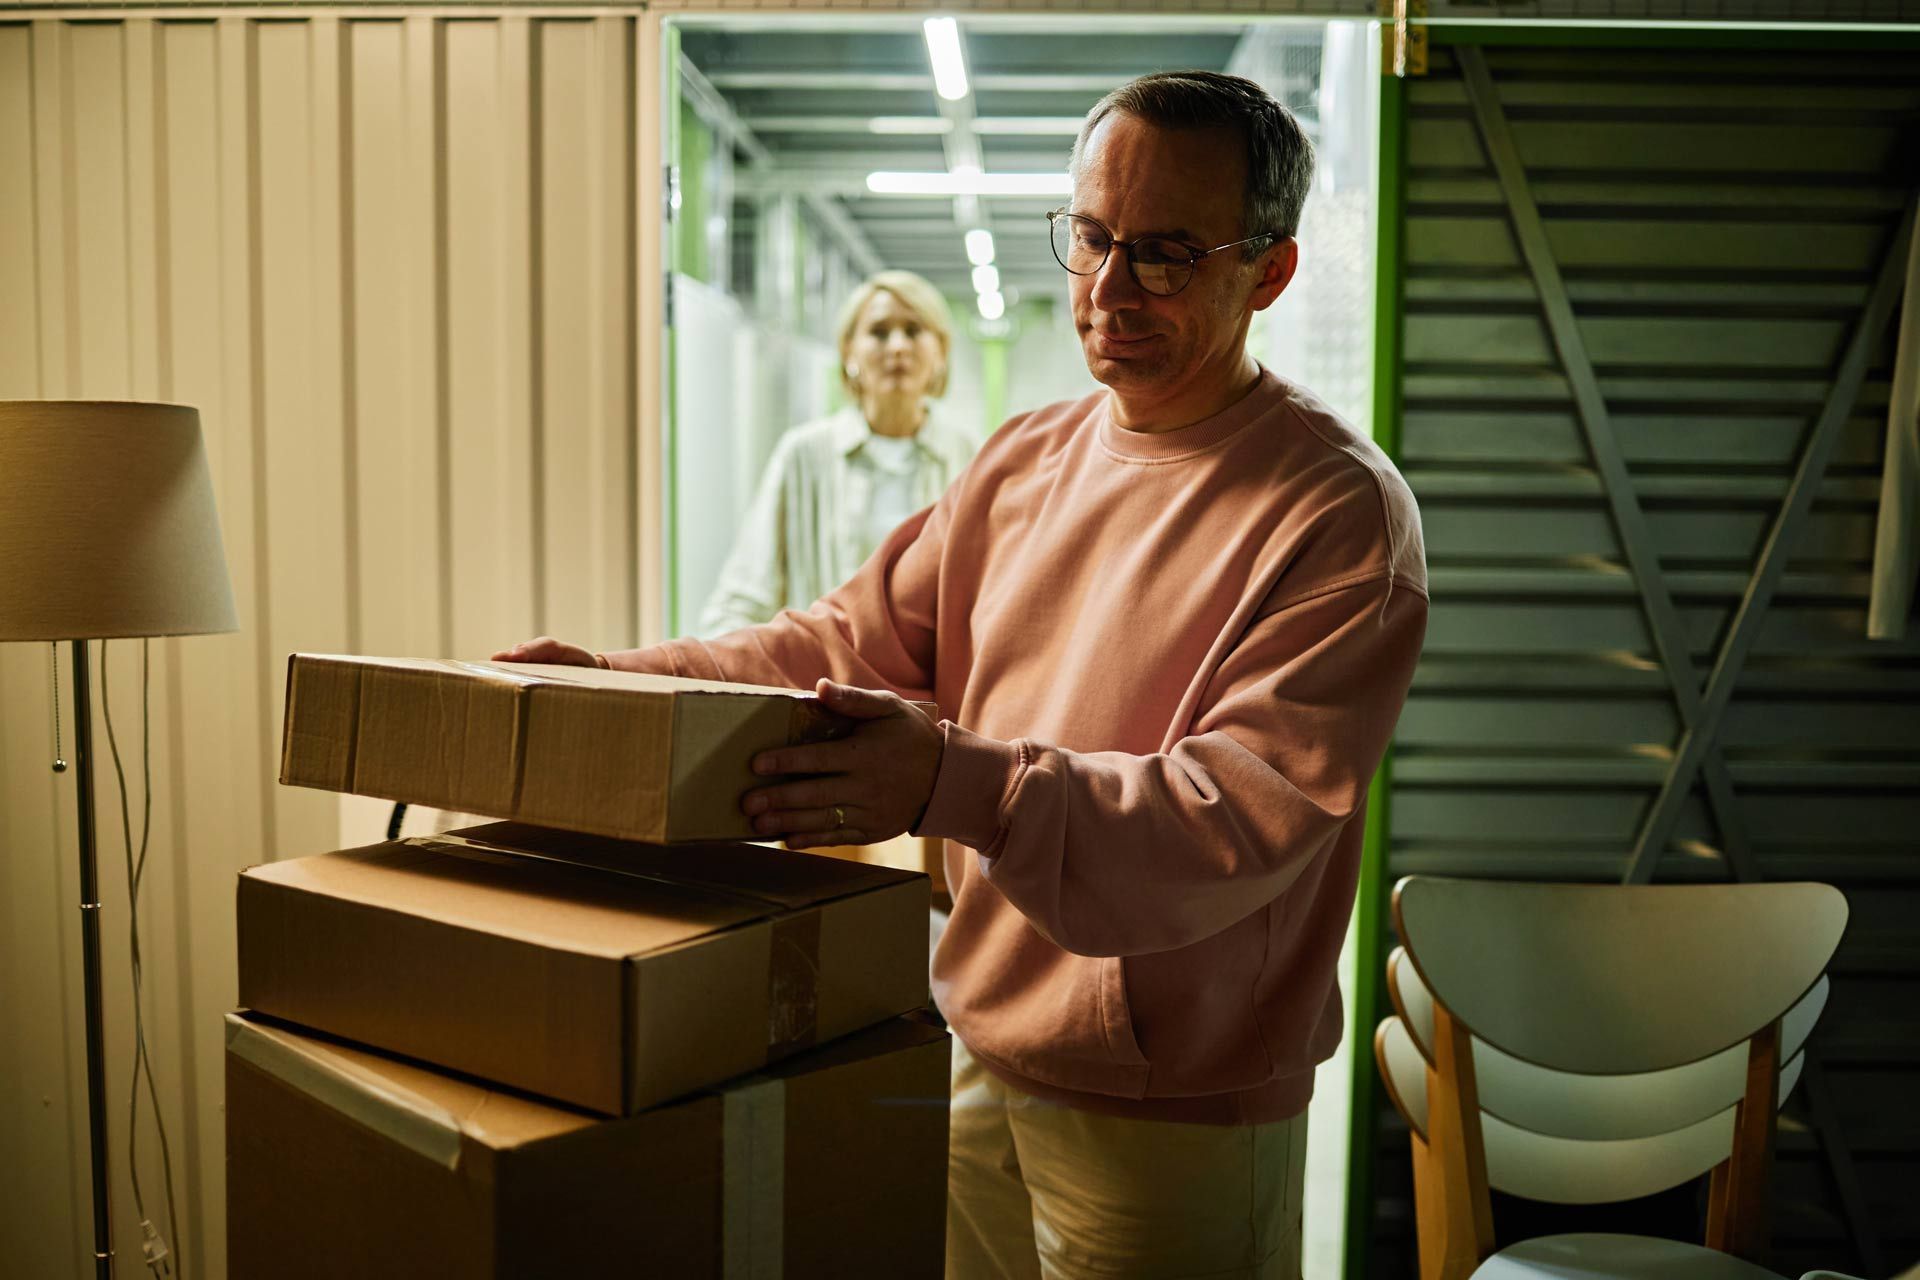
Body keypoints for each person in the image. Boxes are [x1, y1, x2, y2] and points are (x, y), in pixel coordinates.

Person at [497, 70, 1426, 1280]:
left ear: (1271, 272)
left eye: (1166, 254)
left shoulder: (1336, 518)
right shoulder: (1022, 460)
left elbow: (1229, 820)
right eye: (1091, 236)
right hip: (977, 1042)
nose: (1106, 288)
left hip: (1173, 1109)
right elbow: (837, 640)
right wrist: (620, 678)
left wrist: (953, 781)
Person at [698, 270, 980, 636]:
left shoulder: (968, 456)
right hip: (824, 682)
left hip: (927, 690)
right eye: (878, 332)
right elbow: (743, 597)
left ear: (940, 350)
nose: (897, 346)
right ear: (849, 350)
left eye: (913, 331)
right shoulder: (804, 455)